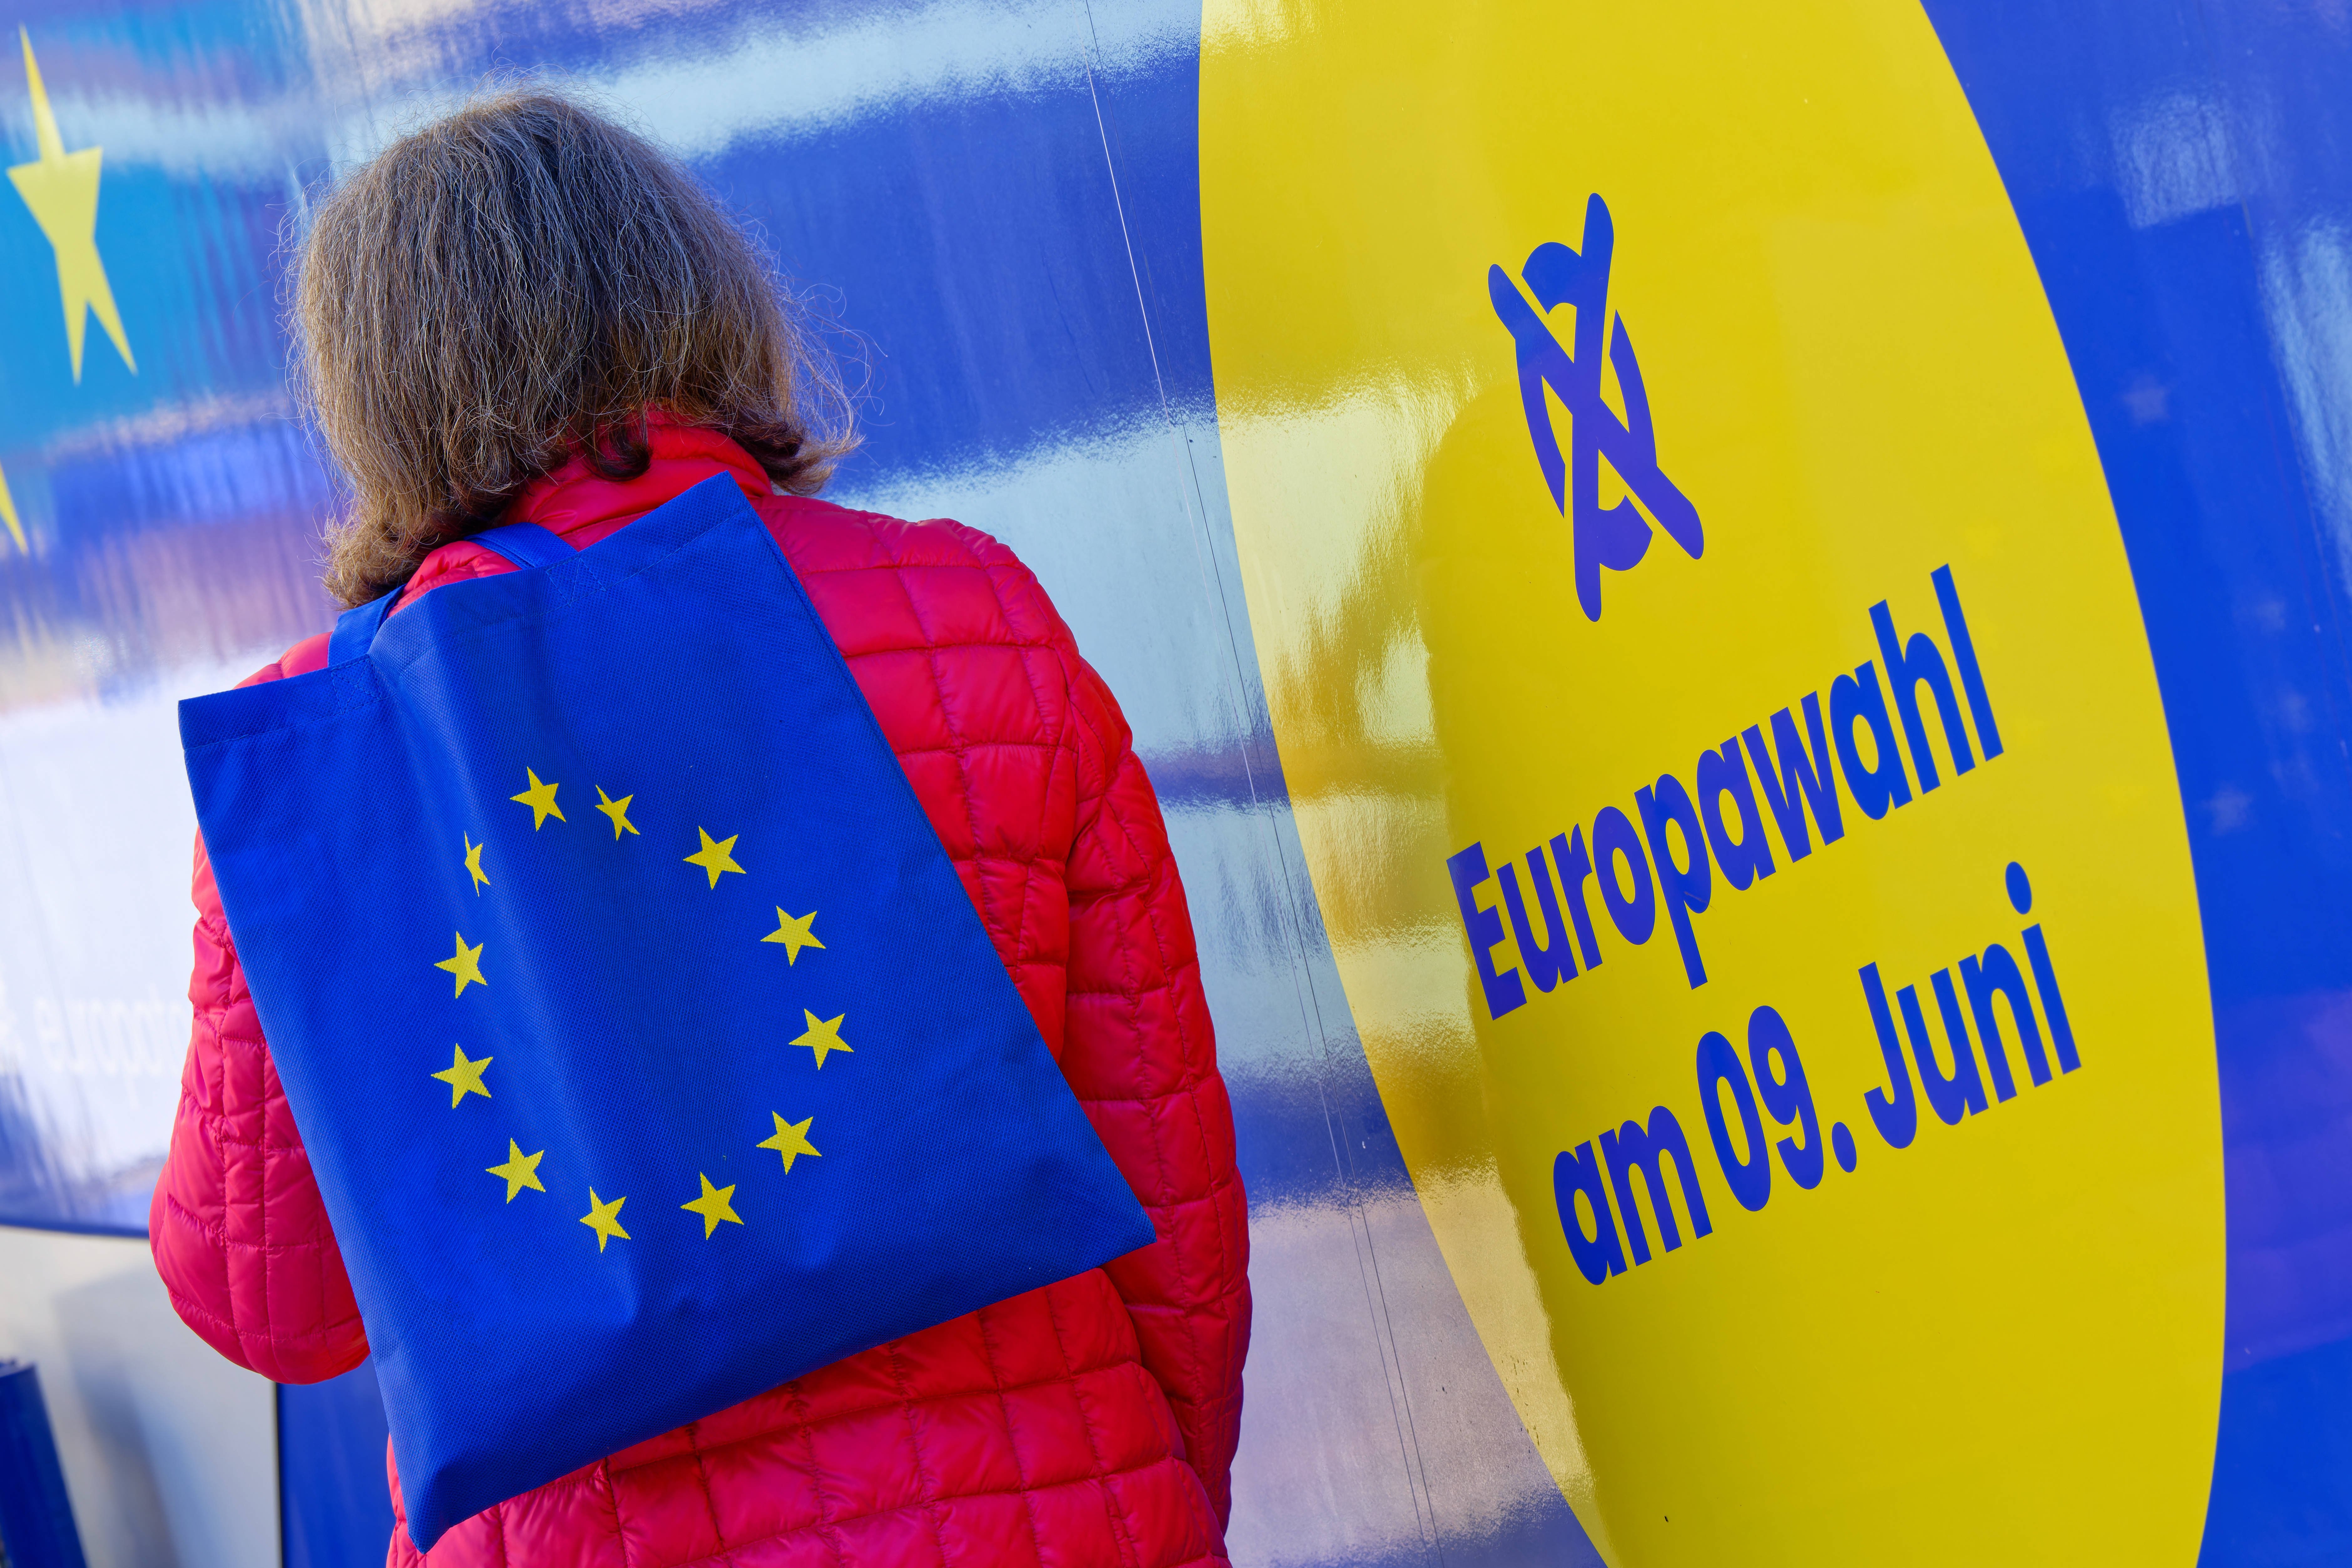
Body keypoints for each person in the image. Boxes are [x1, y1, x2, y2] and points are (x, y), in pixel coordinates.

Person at [150, 89, 1250, 1567]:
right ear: (694, 290)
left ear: (380, 397)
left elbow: (269, 1305)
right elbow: (1166, 1176)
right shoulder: (964, 607)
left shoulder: (333, 759)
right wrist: (1154, 1497)